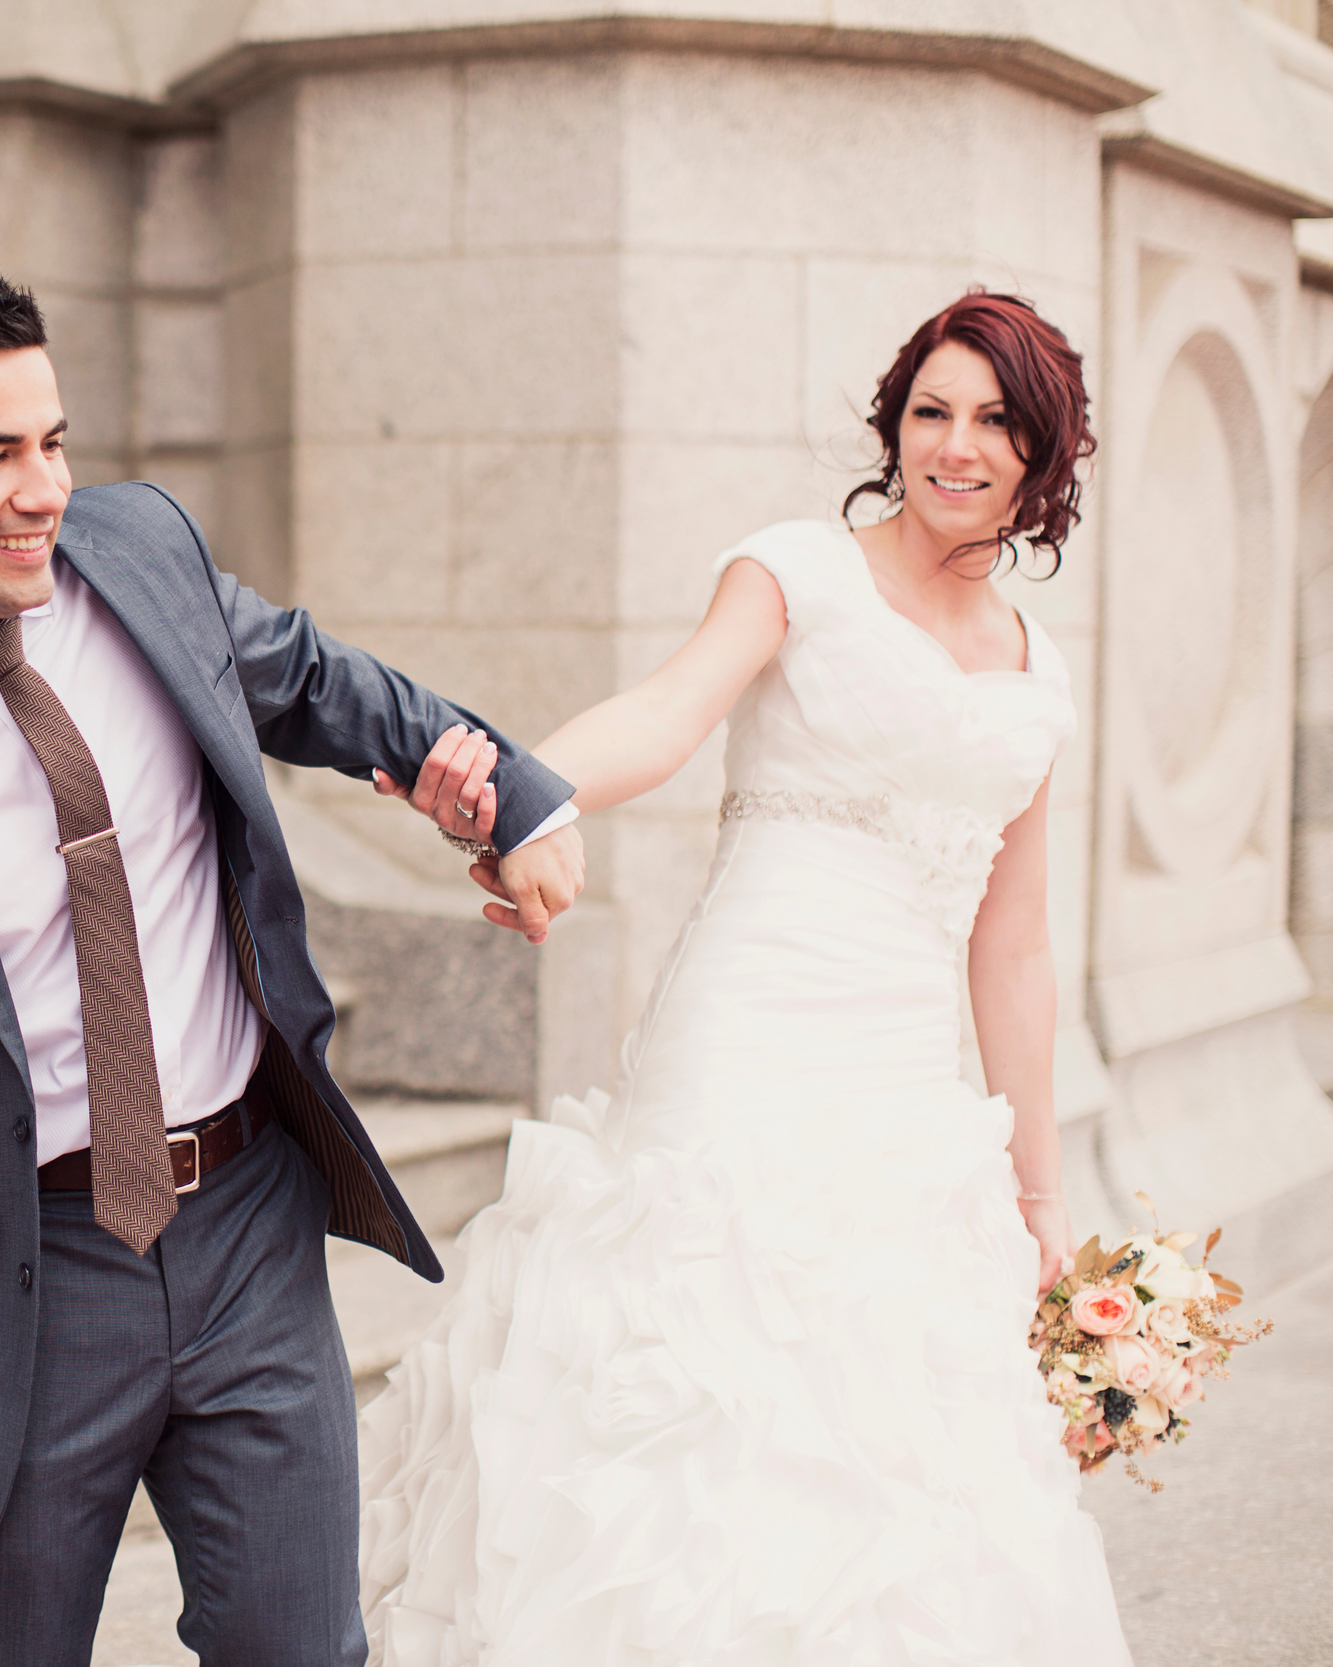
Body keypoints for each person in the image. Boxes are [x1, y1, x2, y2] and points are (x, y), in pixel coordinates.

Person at [0, 258, 585, 1667]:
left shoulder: (140, 551)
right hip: (6, 1294)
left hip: (247, 1234)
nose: (45, 489)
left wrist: (507, 793)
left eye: (53, 440)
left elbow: (317, 682)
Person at [355, 290, 1136, 1664]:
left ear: (1044, 451)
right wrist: (515, 791)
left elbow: (1011, 945)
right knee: (692, 1392)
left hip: (905, 1084)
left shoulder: (1039, 675)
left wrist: (1042, 1196)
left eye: (995, 421)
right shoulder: (799, 571)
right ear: (894, 429)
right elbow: (661, 717)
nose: (956, 447)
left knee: (895, 1447)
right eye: (931, 413)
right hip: (744, 1037)